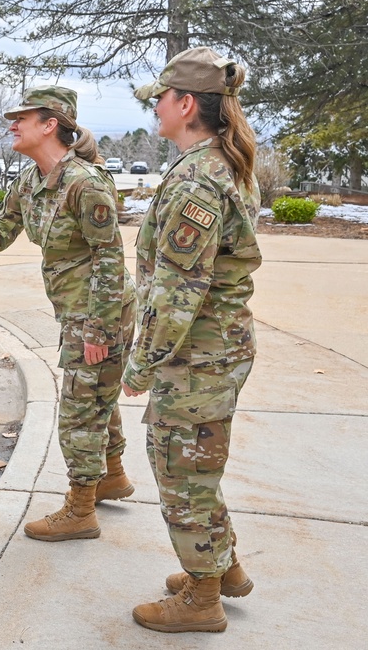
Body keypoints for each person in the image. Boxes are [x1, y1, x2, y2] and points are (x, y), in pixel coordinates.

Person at [0, 86, 136, 542]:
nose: (12, 124)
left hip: (100, 310)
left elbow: (109, 257)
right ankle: (112, 475)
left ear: (50, 125)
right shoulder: (29, 181)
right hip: (74, 309)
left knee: (81, 408)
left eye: (22, 117)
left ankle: (81, 510)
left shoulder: (86, 183)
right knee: (96, 395)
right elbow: (1, 233)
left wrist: (99, 329)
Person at [122, 47, 261, 633]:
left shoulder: (199, 180)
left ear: (185, 104)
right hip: (212, 351)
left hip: (195, 355)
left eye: (160, 98)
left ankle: (202, 599)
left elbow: (177, 294)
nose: (155, 107)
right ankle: (220, 568)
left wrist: (139, 365)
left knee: (181, 471)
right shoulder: (214, 166)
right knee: (198, 466)